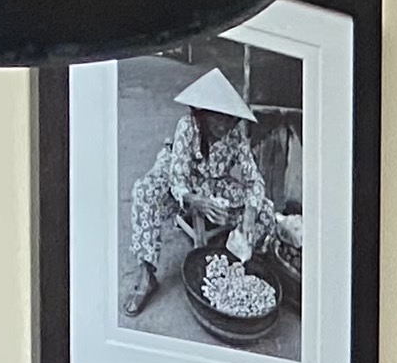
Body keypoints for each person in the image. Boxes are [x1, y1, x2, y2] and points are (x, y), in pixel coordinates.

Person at [123, 64, 287, 320]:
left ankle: (233, 262)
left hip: (211, 183)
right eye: (218, 118)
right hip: (178, 178)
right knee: (145, 191)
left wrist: (249, 214)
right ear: (203, 114)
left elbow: (254, 180)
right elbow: (178, 177)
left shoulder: (235, 136)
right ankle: (146, 275)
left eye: (230, 119)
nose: (225, 125)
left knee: (264, 209)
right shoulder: (187, 127)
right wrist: (193, 200)